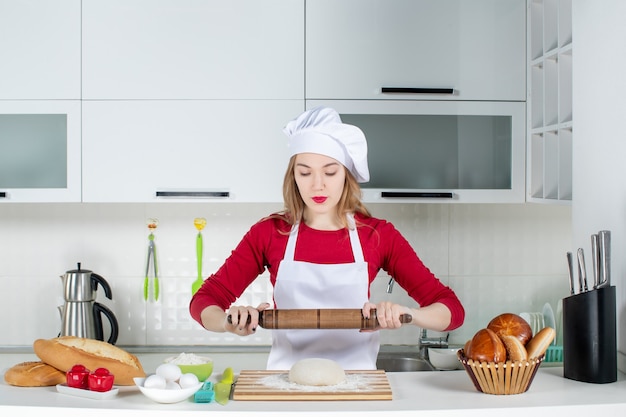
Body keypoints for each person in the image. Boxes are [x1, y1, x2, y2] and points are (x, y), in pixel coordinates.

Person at [190, 106, 465, 370]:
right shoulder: (270, 233)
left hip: (358, 388)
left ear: (346, 173)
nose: (317, 184)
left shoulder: (378, 236)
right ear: (293, 176)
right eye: (305, 172)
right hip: (286, 385)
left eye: (330, 171)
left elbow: (452, 311)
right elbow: (204, 299)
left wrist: (407, 314)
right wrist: (229, 321)